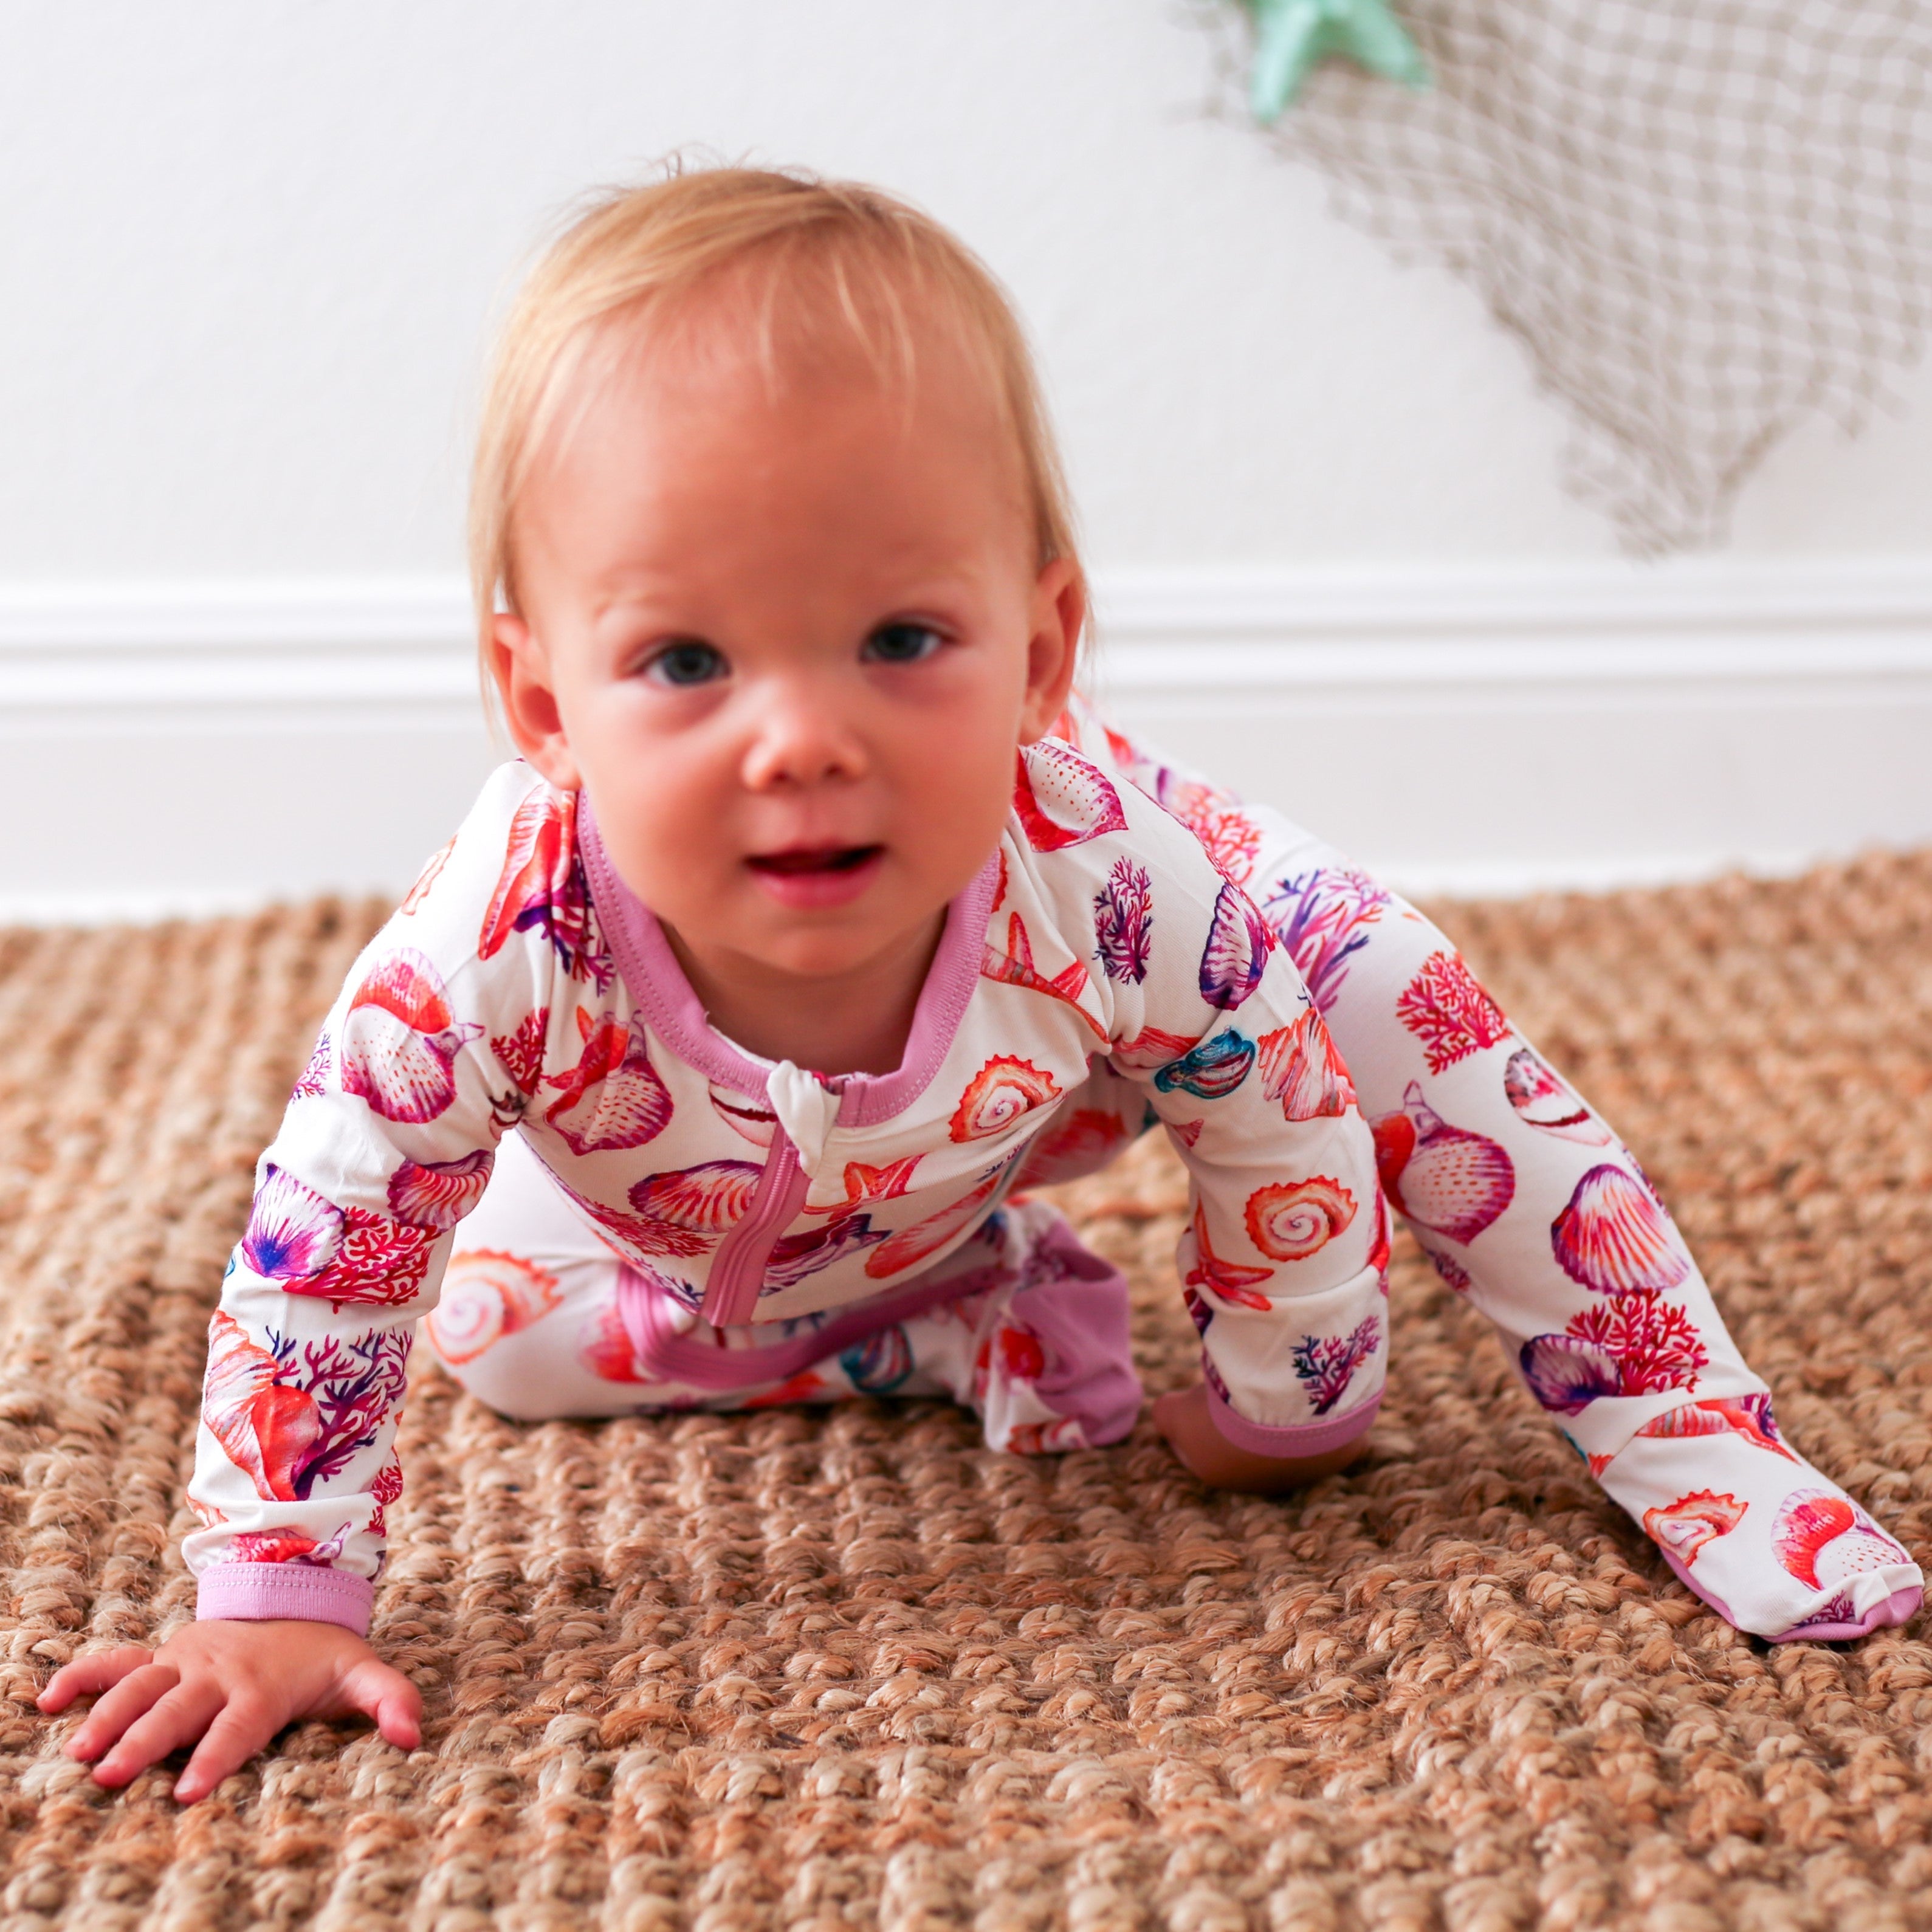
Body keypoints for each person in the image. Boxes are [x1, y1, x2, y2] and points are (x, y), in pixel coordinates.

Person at [39, 165, 1921, 1804]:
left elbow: (1270, 1113)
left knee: (1369, 980)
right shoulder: (485, 955)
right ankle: (946, 1321)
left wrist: (1289, 1396)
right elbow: (328, 1247)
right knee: (496, 1346)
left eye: (901, 638)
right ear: (544, 705)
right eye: (685, 657)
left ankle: (1677, 1413)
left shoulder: (1121, 878)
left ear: (1042, 645)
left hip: (1057, 1075)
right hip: (688, 1184)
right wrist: (270, 1595)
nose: (800, 738)